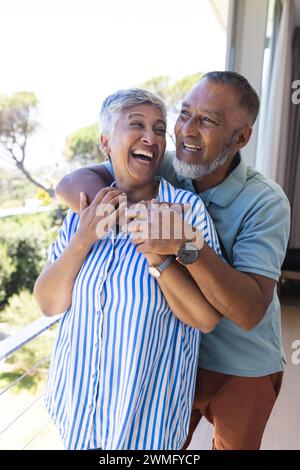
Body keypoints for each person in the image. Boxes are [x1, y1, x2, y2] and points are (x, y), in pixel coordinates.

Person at [56, 72, 290, 450]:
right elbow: (71, 184)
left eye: (207, 121)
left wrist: (183, 241)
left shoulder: (267, 202)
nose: (186, 132)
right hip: (173, 358)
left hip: (241, 365)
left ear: (241, 137)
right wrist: (133, 219)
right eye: (184, 114)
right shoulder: (165, 164)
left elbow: (248, 312)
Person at [34, 88, 222, 450]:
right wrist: (83, 238)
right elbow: (48, 303)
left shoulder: (184, 210)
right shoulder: (84, 209)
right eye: (136, 125)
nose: (150, 138)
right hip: (76, 417)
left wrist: (158, 257)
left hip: (146, 427)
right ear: (106, 141)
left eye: (159, 128)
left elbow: (205, 318)